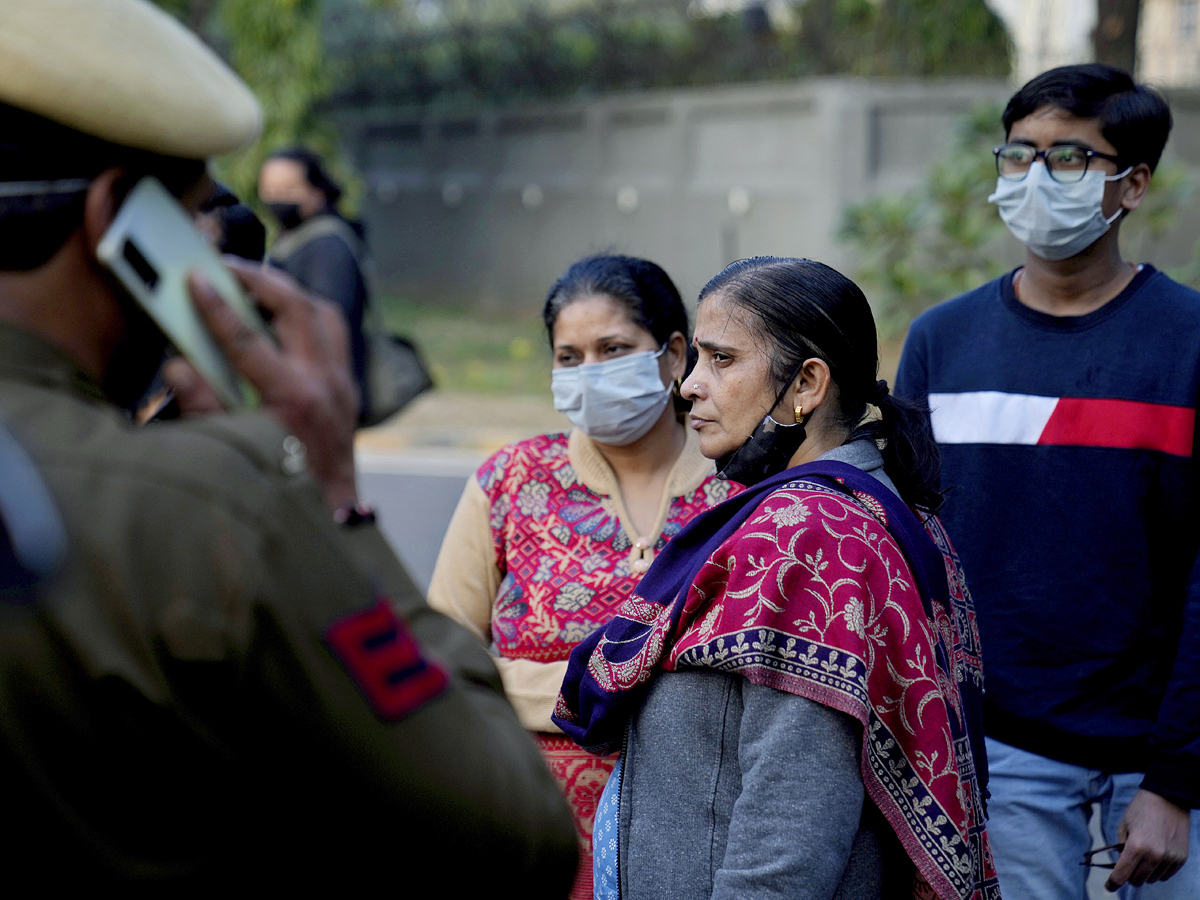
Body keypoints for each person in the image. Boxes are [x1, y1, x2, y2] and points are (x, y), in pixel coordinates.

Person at [0, 0, 577, 889]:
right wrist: (331, 495)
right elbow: (511, 836)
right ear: (118, 219)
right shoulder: (210, 510)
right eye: (193, 218)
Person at [556, 257, 998, 900]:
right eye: (698, 359)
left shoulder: (807, 537)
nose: (689, 387)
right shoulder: (873, 506)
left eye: (722, 360)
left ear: (807, 384)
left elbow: (788, 833)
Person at [895, 64, 1200, 898]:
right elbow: (911, 552)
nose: (1036, 178)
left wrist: (1175, 782)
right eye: (1020, 154)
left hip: (1167, 762)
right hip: (1001, 759)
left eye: (1070, 158)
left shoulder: (1191, 342)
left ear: (1132, 185)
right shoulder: (941, 342)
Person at [427, 254, 741, 900]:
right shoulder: (511, 483)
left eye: (614, 348)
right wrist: (595, 694)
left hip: (691, 850)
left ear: (674, 354)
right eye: (570, 358)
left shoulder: (739, 495)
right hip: (522, 836)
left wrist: (517, 683)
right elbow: (437, 660)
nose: (591, 374)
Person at [259, 148, 370, 418]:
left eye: (289, 190)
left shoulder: (326, 246)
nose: (277, 200)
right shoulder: (296, 239)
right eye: (270, 190)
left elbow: (326, 327)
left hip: (319, 397)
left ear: (317, 191)